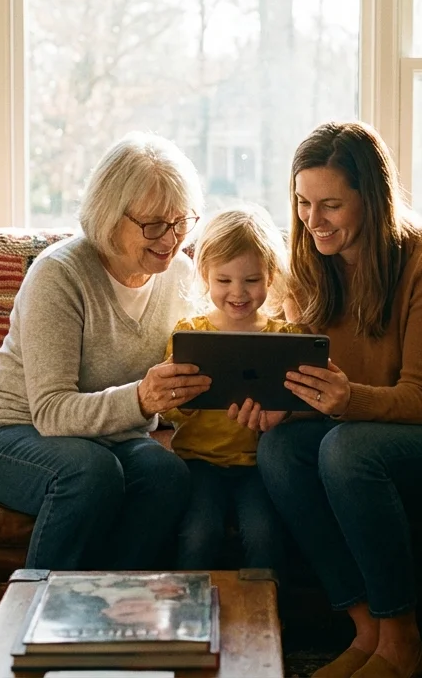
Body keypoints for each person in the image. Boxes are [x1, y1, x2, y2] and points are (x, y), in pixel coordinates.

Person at [232, 122, 422, 678]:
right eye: (303, 203)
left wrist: (341, 401)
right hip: (362, 432)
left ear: (371, 200)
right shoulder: (310, 262)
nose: (313, 221)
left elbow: (421, 400)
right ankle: (366, 630)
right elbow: (324, 392)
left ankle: (403, 641)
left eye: (330, 204)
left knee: (347, 450)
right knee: (280, 448)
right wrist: (286, 404)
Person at [0, 132, 213, 571]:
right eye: (153, 224)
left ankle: (117, 610)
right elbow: (52, 412)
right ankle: (33, 627)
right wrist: (141, 399)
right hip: (5, 430)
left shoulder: (179, 274)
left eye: (180, 222)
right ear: (110, 217)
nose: (170, 239)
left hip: (105, 438)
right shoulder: (59, 274)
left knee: (166, 474)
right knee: (90, 473)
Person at [159, 206, 301, 576]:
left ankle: (265, 621)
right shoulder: (189, 333)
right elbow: (169, 408)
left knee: (264, 535)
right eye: (224, 281)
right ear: (205, 275)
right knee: (198, 535)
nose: (237, 293)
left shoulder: (284, 338)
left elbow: (299, 406)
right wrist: (184, 405)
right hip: (198, 462)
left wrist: (282, 414)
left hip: (257, 467)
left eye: (251, 280)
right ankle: (186, 618)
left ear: (270, 277)